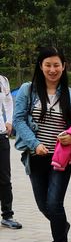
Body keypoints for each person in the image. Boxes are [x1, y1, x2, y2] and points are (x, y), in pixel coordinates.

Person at [13, 46, 71, 242]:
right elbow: (18, 120)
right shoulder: (28, 90)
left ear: (63, 67)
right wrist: (35, 144)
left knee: (54, 203)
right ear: (40, 66)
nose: (52, 69)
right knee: (43, 205)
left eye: (57, 65)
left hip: (61, 158)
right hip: (36, 157)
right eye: (48, 65)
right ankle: (62, 225)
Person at [0, 72, 21, 229]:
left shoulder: (3, 80)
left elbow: (8, 101)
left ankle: (7, 215)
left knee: (4, 178)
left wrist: (8, 121)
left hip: (1, 135)